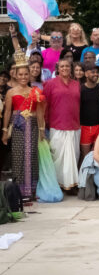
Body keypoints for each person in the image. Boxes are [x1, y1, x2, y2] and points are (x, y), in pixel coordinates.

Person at [1, 52, 45, 199]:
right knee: (18, 156)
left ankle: (31, 190)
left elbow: (39, 112)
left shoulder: (35, 92)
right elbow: (7, 112)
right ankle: (18, 191)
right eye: (20, 74)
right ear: (16, 75)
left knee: (32, 154)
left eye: (26, 74)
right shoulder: (11, 92)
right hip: (18, 125)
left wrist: (42, 129)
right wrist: (5, 130)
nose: (23, 77)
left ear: (29, 75)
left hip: (32, 125)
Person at [43, 58, 81, 191]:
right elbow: (45, 105)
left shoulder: (76, 84)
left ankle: (71, 185)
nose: (64, 68)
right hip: (57, 124)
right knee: (58, 158)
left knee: (73, 156)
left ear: (70, 68)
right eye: (62, 66)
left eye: (67, 66)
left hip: (75, 125)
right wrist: (44, 123)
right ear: (57, 69)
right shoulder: (50, 84)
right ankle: (60, 185)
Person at [79, 62, 99, 165]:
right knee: (86, 157)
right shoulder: (80, 89)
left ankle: (95, 179)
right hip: (84, 128)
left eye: (97, 72)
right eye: (93, 72)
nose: (96, 74)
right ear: (86, 74)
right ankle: (84, 179)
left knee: (96, 155)